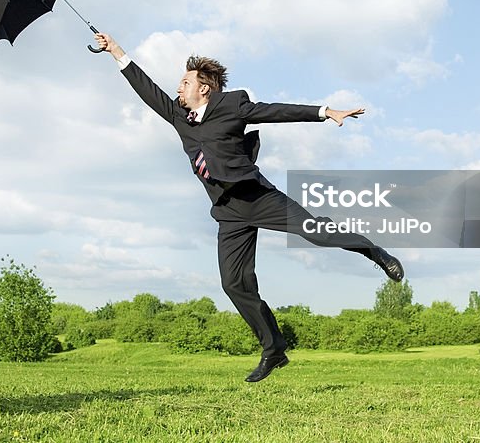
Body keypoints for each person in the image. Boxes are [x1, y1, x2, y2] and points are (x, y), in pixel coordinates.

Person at [93, 33, 404, 382]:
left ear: (204, 88)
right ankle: (274, 351)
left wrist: (325, 112)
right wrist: (116, 51)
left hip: (256, 196)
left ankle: (373, 251)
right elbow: (146, 89)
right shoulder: (179, 116)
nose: (178, 89)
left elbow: (275, 111)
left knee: (316, 232)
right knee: (234, 284)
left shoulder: (232, 106)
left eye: (184, 83)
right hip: (227, 211)